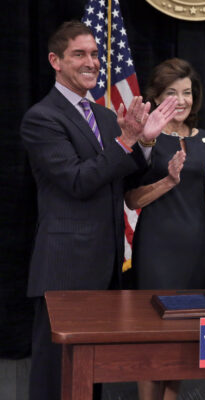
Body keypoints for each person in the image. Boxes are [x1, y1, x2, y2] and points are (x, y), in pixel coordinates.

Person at [20, 21, 177, 400]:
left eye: (94, 54)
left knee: (92, 377)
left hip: (106, 267)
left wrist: (145, 143)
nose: (91, 62)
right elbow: (78, 180)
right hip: (65, 268)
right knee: (57, 377)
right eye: (79, 54)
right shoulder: (42, 118)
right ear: (55, 61)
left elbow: (123, 177)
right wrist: (126, 141)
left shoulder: (105, 117)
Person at [124, 58, 205, 400]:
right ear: (157, 97)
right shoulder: (148, 139)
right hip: (157, 249)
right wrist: (169, 181)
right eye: (172, 93)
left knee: (183, 337)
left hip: (195, 248)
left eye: (187, 92)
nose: (182, 100)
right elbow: (131, 198)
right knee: (153, 335)